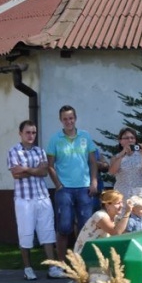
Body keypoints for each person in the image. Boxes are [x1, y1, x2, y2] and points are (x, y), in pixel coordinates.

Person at [7, 121, 65, 280]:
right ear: (20, 133)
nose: (31, 135)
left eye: (33, 132)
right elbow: (16, 174)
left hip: (42, 196)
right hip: (24, 198)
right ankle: (28, 268)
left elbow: (44, 172)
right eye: (28, 132)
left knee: (47, 232)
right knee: (25, 233)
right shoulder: (14, 151)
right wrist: (35, 170)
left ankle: (52, 267)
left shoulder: (40, 151)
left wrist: (25, 169)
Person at [46, 105, 98, 261]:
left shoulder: (85, 136)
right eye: (65, 119)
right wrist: (58, 186)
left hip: (84, 188)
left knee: (85, 228)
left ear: (75, 118)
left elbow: (93, 162)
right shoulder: (55, 139)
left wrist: (94, 182)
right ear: (60, 120)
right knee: (64, 228)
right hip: (65, 190)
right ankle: (61, 263)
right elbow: (50, 165)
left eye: (71, 118)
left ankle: (82, 263)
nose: (68, 121)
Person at [108, 126, 142, 227]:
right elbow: (112, 171)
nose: (130, 140)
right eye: (126, 138)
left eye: (132, 138)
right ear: (120, 141)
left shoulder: (141, 155)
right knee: (122, 229)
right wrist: (123, 153)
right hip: (122, 199)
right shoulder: (116, 156)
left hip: (140, 198)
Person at [73, 189, 134, 254]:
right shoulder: (100, 216)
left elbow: (123, 233)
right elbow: (116, 233)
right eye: (118, 203)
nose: (121, 205)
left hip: (97, 251)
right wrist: (127, 213)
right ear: (107, 205)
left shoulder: (115, 218)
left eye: (121, 202)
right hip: (85, 253)